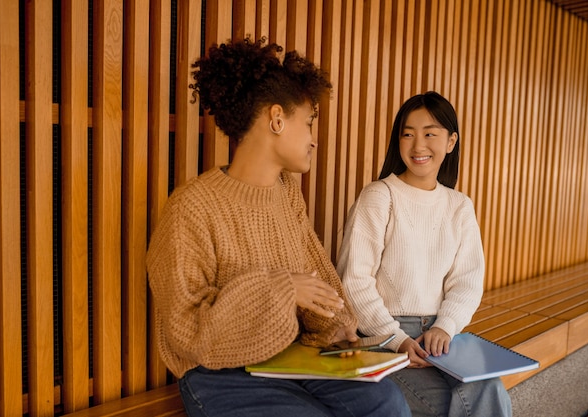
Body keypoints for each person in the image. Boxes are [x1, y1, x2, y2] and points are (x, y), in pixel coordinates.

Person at [146, 37, 411, 417]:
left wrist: (336, 326)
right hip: (218, 374)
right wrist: (282, 290)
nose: (313, 140)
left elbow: (314, 277)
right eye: (308, 123)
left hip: (291, 357)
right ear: (277, 119)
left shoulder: (287, 194)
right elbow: (188, 332)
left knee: (387, 403)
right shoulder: (191, 208)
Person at [336, 91, 512, 417]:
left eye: (430, 133)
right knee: (454, 407)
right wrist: (396, 339)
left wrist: (446, 325)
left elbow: (467, 281)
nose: (418, 145)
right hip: (385, 336)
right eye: (408, 133)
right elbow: (354, 280)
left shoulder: (459, 205)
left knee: (489, 388)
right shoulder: (379, 196)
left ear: (450, 141)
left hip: (442, 337)